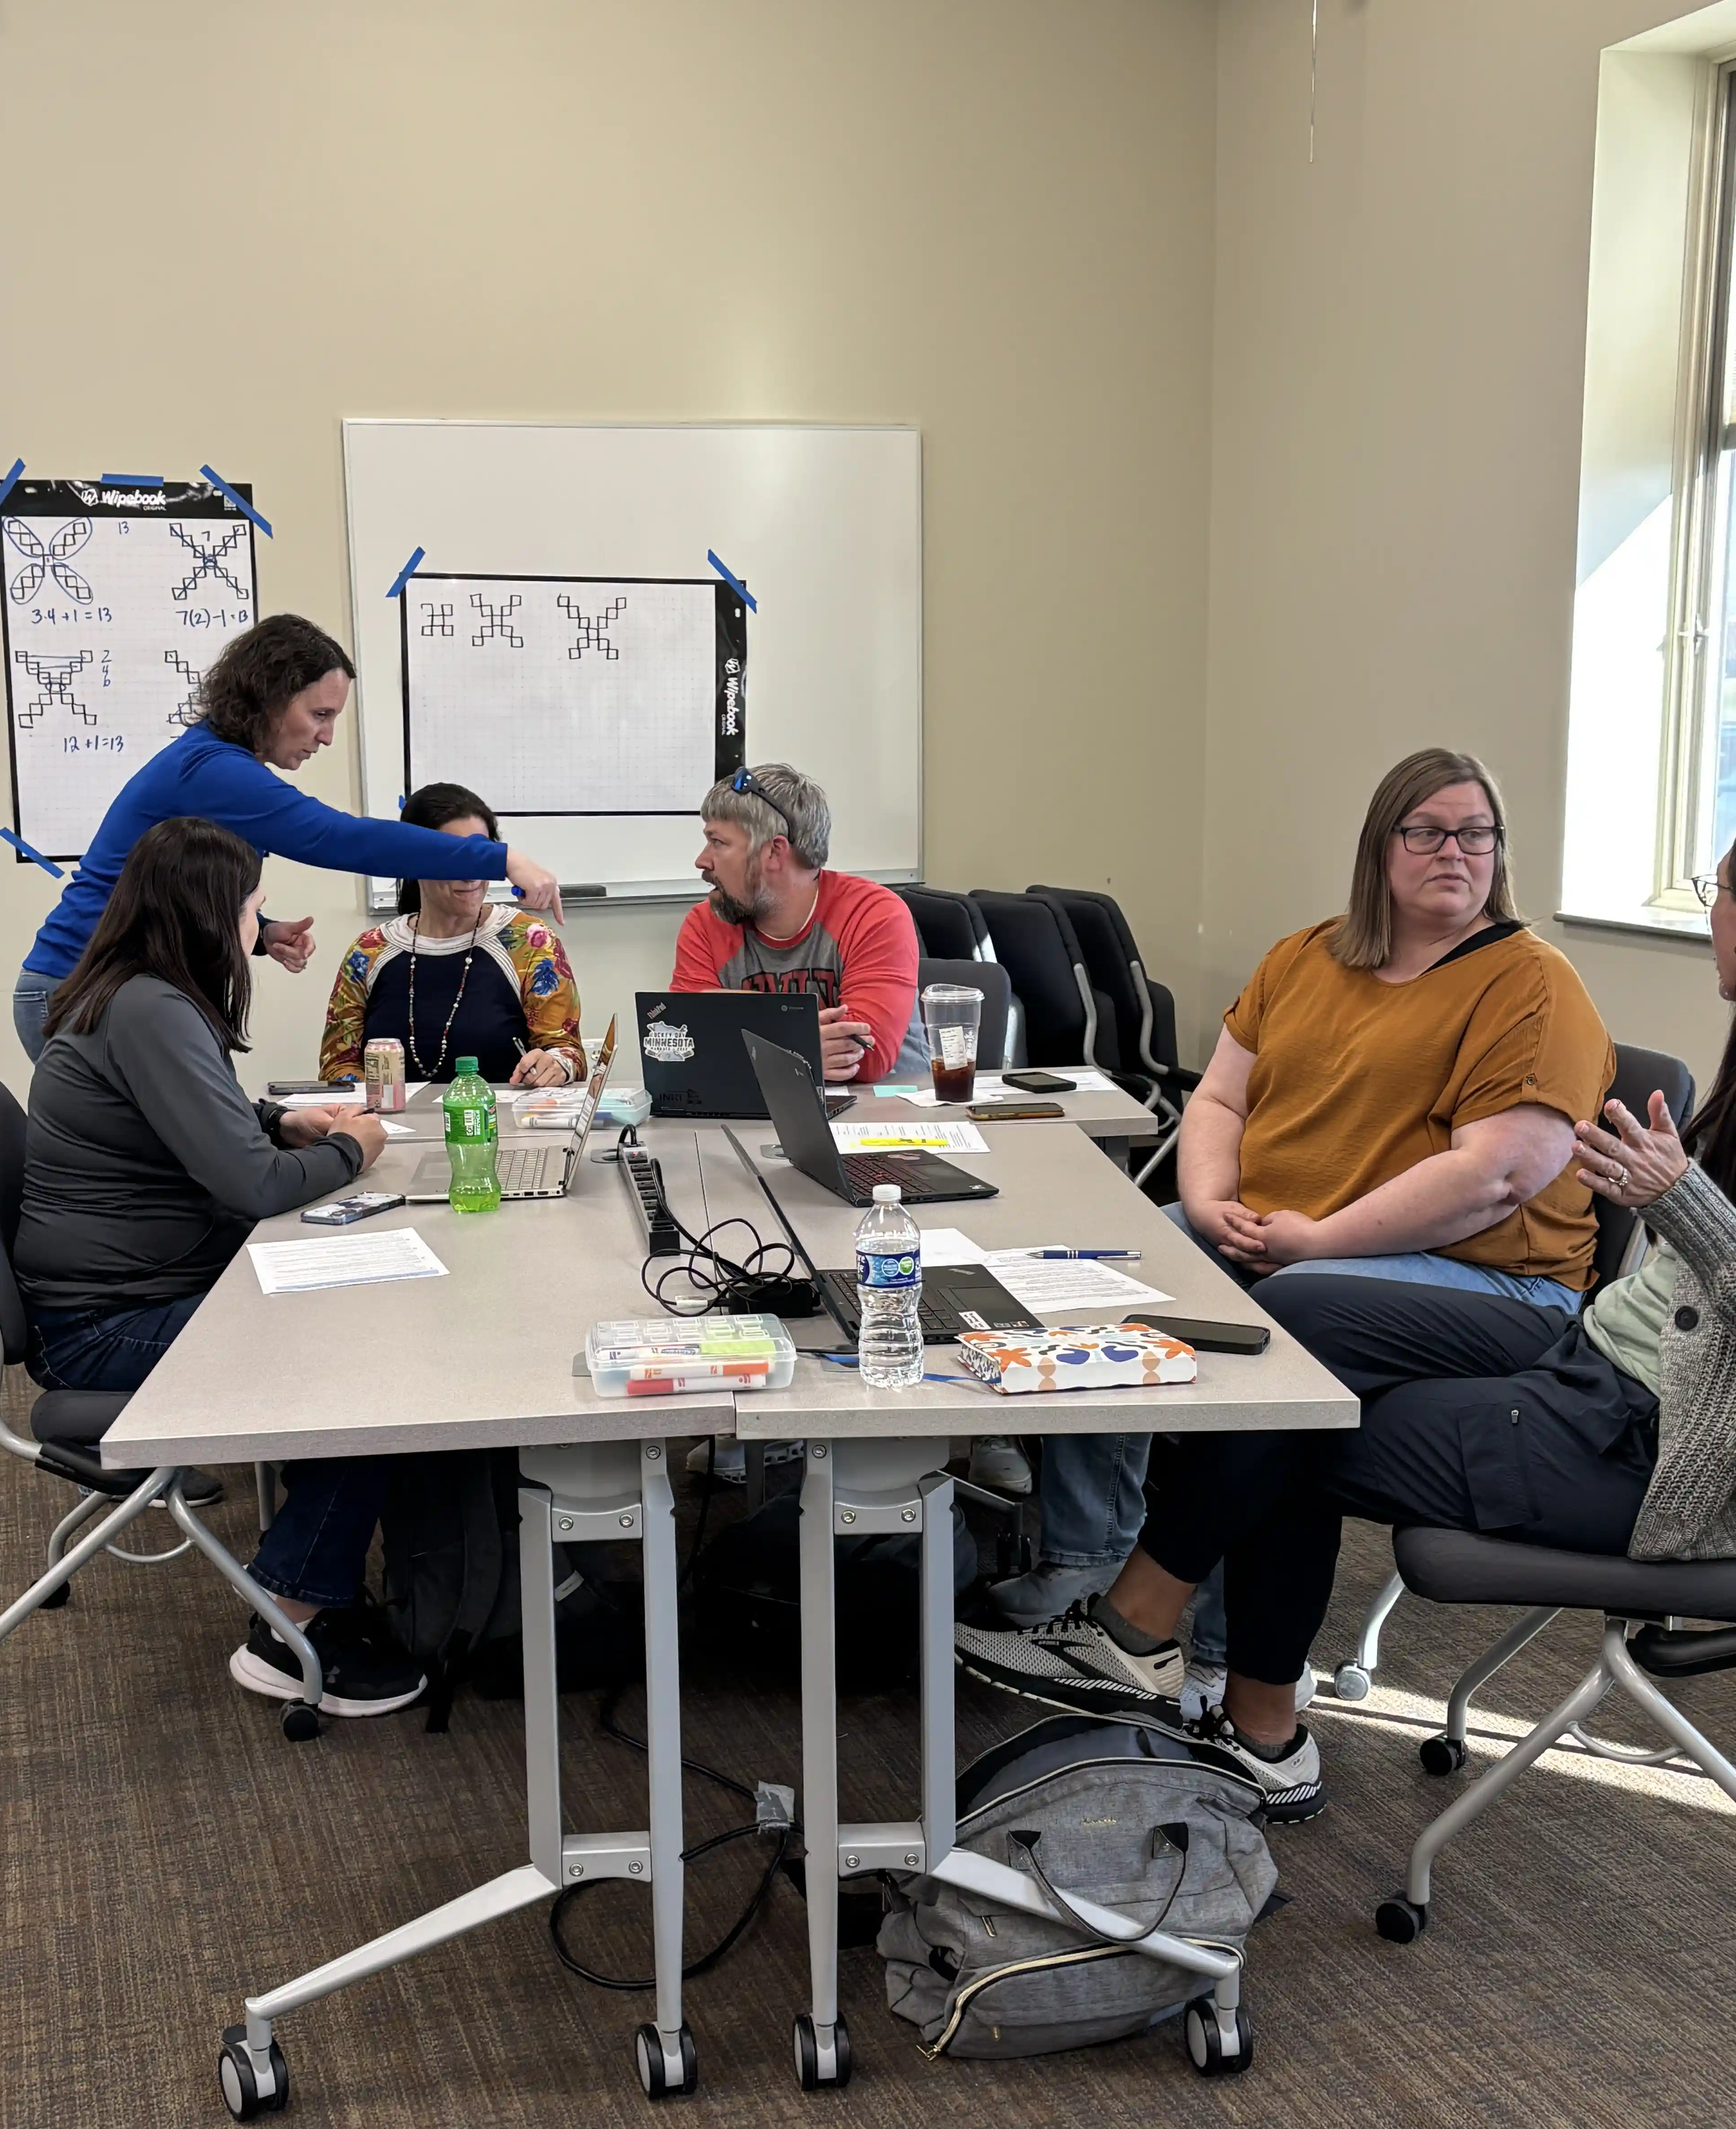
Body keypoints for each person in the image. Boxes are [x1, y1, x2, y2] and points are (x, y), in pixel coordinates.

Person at [984, 836, 1736, 1826]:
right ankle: (1249, 1725)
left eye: (1714, 891)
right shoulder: (1315, 956)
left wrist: (1683, 1197)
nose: (1710, 910)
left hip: (1663, 1454)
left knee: (1298, 1370)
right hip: (1596, 1376)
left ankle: (1157, 1644)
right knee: (1299, 1391)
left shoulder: (1529, 985)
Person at [972, 748, 1615, 1716]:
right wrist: (1213, 1200)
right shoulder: (1309, 955)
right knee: (1115, 1269)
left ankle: (1191, 1639)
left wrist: (1319, 1241)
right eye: (1428, 831)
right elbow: (1221, 1096)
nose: (1456, 851)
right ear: (1380, 846)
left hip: (1487, 1283)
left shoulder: (1531, 983)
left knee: (1289, 1320)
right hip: (1286, 1238)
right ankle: (1085, 1569)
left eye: (1476, 834)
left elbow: (1498, 1177)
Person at [16, 814, 455, 1714]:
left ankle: (331, 1558)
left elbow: (194, 1129)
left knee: (364, 1309)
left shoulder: (134, 990)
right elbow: (254, 1189)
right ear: (211, 917)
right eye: (254, 907)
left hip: (131, 1289)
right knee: (371, 1358)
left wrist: (277, 1120)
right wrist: (357, 1147)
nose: (260, 926)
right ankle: (290, 1616)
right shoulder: (154, 1010)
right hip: (108, 1329)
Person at [11, 614, 563, 1062]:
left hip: (93, 987)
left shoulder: (215, 766)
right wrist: (500, 857)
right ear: (270, 697)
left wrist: (260, 933)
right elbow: (338, 838)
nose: (325, 736)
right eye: (319, 714)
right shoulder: (215, 770)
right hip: (78, 991)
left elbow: (174, 897)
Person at [671, 764, 929, 1082]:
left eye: (718, 842)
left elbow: (866, 1057)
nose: (703, 860)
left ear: (774, 852)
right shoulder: (704, 925)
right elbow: (687, 1050)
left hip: (885, 1117)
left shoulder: (874, 914)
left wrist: (732, 1033)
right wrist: (801, 1046)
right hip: (764, 1114)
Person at [319, 782, 584, 1088]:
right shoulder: (369, 953)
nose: (470, 874)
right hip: (389, 1130)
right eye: (455, 855)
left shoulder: (530, 942)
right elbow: (337, 1066)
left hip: (502, 1128)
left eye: (481, 855)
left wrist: (558, 1065)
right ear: (412, 860)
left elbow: (567, 1051)